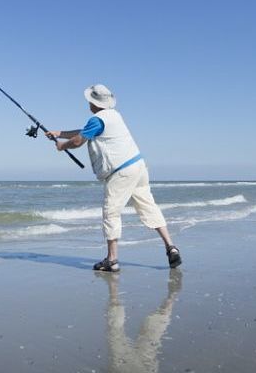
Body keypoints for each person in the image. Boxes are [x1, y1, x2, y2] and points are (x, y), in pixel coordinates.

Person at [46, 84, 181, 272]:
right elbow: (85, 131)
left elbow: (78, 140)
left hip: (122, 171)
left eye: (89, 101)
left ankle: (112, 259)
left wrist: (62, 146)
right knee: (148, 205)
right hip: (138, 166)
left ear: (94, 103)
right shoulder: (113, 116)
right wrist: (59, 133)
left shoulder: (97, 119)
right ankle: (171, 247)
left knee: (111, 212)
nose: (88, 104)